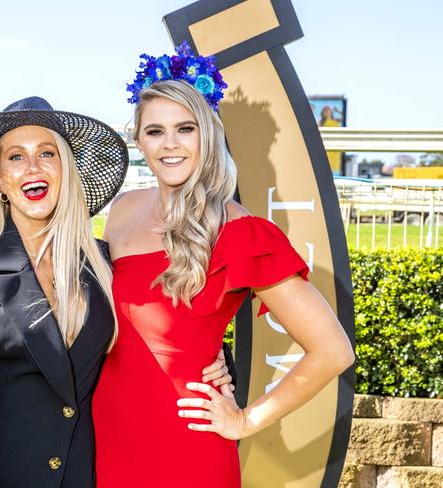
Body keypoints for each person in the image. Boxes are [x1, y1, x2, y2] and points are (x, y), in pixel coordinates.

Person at [0, 96, 233, 488]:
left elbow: (154, 326)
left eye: (47, 152)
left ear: (66, 169)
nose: (33, 167)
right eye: (16, 157)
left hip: (86, 474)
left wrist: (219, 360)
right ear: (1, 179)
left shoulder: (103, 263)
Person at [92, 42, 355, 487]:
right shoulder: (121, 210)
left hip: (187, 441)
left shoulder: (242, 232)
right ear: (138, 140)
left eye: (186, 129)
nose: (170, 144)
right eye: (155, 131)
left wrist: (247, 420)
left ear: (208, 135)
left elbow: (333, 350)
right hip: (107, 432)